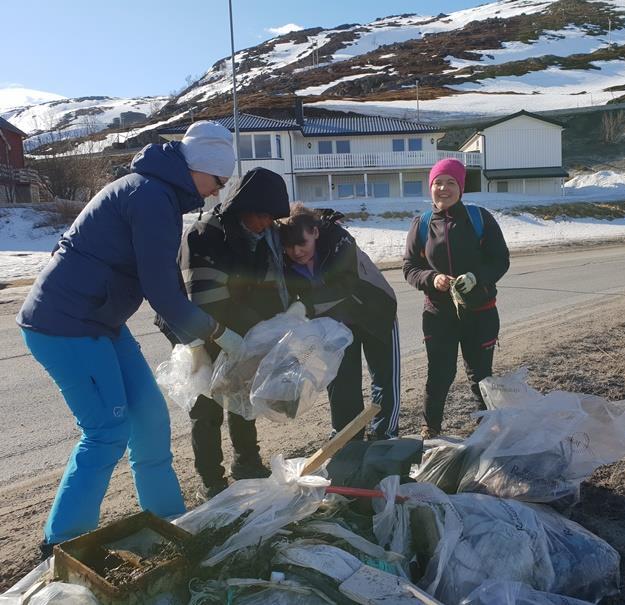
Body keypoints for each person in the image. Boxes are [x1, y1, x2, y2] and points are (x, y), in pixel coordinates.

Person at [16, 121, 240, 557]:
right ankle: (63, 542)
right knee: (106, 431)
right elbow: (160, 291)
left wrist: (191, 339)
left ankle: (168, 523)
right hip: (63, 324)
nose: (217, 192)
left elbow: (166, 285)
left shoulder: (159, 194)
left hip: (100, 322)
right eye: (218, 181)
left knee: (150, 419)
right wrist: (217, 334)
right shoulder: (150, 196)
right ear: (199, 169)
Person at [156, 167, 291, 501]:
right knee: (207, 405)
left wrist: (273, 331)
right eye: (261, 215)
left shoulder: (261, 238)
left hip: (236, 327)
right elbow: (206, 303)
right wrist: (246, 333)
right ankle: (211, 480)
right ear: (242, 208)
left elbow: (266, 291)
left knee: (241, 395)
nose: (266, 224)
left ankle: (246, 463)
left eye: (271, 218)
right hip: (192, 327)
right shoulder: (204, 235)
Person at [403, 158, 509, 437]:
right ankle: (431, 430)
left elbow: (500, 261)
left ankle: (487, 432)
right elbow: (410, 267)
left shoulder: (479, 219)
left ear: (461, 187)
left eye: (451, 182)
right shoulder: (422, 224)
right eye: (438, 182)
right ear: (431, 188)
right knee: (439, 375)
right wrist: (431, 279)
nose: (444, 188)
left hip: (481, 312)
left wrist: (477, 277)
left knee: (480, 377)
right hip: (439, 316)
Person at [279, 203, 400, 440]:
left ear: (315, 232)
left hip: (376, 312)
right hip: (337, 324)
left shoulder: (339, 240)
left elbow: (344, 284)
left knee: (384, 379)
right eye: (289, 247)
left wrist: (304, 307)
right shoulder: (287, 263)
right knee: (342, 380)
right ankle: (347, 437)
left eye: (301, 243)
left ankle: (385, 434)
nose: (296, 252)